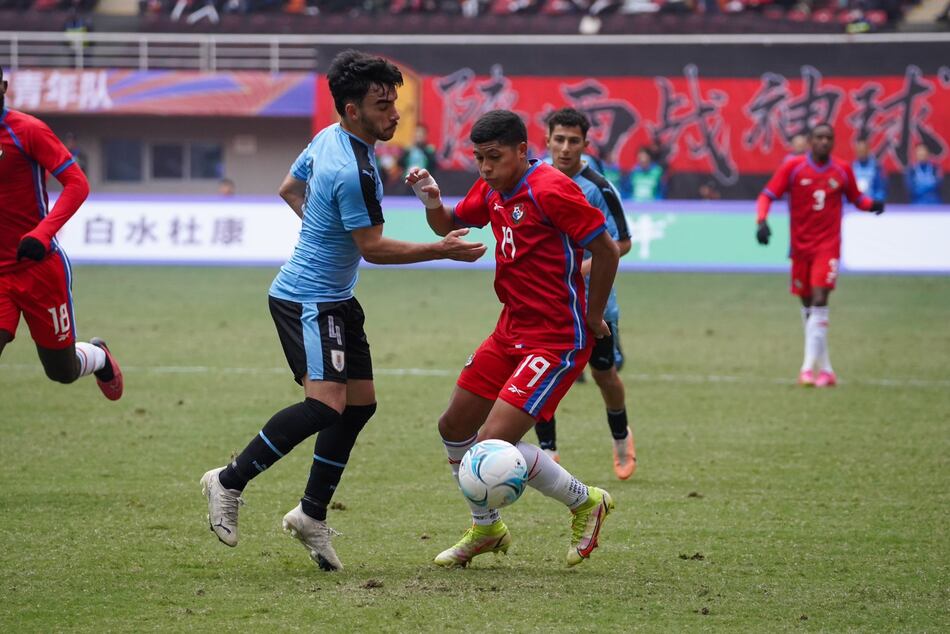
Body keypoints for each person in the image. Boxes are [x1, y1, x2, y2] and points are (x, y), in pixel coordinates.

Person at [199, 50, 486, 571]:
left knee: (360, 405)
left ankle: (310, 515)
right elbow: (374, 248)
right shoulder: (354, 170)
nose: (394, 114)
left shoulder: (329, 138)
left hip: (334, 297)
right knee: (325, 406)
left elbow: (289, 188)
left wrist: (320, 231)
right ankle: (228, 480)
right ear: (353, 109)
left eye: (394, 102)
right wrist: (441, 250)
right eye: (382, 105)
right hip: (309, 300)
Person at [406, 109, 621, 568]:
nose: (485, 168)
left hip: (557, 339)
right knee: (453, 429)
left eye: (494, 158)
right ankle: (486, 529)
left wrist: (595, 313)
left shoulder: (551, 189)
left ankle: (586, 502)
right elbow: (448, 225)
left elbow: (606, 249)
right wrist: (430, 201)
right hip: (511, 329)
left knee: (491, 443)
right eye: (479, 159)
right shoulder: (493, 187)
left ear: (523, 151)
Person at [0, 67, 123, 401]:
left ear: (4, 87)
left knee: (61, 371)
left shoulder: (27, 131)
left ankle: (97, 355)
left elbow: (77, 183)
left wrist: (43, 232)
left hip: (38, 269)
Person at [533, 107, 636, 480]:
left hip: (594, 302)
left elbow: (621, 243)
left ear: (585, 144)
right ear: (546, 140)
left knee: (604, 374)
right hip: (546, 299)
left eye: (573, 141)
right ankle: (548, 451)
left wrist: (575, 269)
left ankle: (622, 439)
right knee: (543, 374)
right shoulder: (533, 176)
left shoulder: (597, 186)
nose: (565, 148)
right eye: (558, 139)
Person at [755, 123, 884, 387]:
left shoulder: (842, 170)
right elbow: (766, 195)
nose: (824, 142)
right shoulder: (793, 168)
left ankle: (805, 369)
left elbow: (856, 199)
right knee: (807, 308)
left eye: (829, 138)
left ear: (833, 142)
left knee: (819, 298)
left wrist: (873, 205)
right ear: (810, 142)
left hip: (828, 247)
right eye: (819, 137)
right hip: (800, 248)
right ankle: (825, 369)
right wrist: (762, 221)